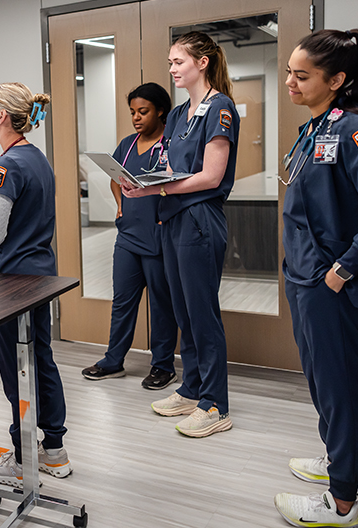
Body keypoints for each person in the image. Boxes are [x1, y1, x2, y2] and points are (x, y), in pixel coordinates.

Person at [272, 29, 358, 528]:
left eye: (301, 75)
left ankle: (342, 503)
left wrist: (342, 270)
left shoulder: (354, 131)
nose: (289, 81)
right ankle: (340, 463)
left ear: (338, 79)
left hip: (332, 284)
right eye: (289, 70)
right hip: (305, 277)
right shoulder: (316, 128)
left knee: (340, 388)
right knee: (323, 383)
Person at [121, 31, 239, 437]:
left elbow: (211, 176)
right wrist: (138, 181)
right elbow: (171, 167)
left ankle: (216, 404)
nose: (171, 69)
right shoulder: (176, 115)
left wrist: (159, 188)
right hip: (171, 217)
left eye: (178, 62)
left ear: (201, 63)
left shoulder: (219, 109)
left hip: (199, 219)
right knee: (183, 311)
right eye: (170, 63)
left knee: (202, 312)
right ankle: (191, 389)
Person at [0, 82, 70, 487]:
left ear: (2, 116)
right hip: (39, 276)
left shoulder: (4, 167)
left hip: (10, 282)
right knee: (41, 359)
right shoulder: (38, 159)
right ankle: (54, 451)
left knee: (15, 369)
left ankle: (23, 458)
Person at [81, 83, 179, 389]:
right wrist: (121, 203)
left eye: (143, 111)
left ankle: (163, 365)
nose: (136, 117)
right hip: (128, 236)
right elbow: (116, 179)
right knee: (123, 301)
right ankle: (113, 360)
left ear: (161, 111)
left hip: (159, 236)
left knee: (162, 304)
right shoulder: (127, 144)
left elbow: (180, 184)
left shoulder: (172, 144)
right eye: (133, 112)